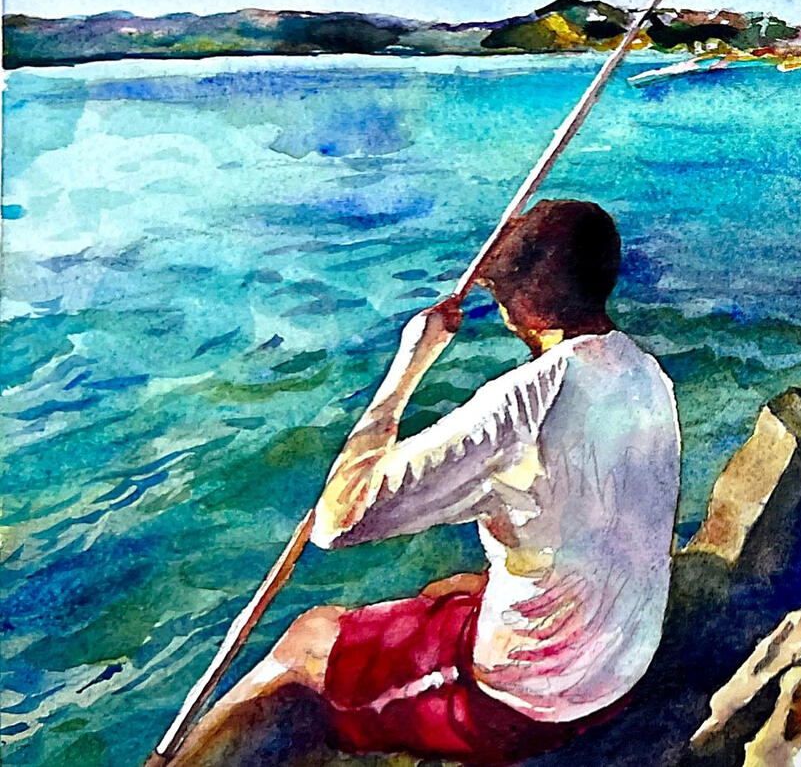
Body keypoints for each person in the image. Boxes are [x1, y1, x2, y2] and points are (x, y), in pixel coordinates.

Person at [172, 200, 680, 767]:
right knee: (448, 590)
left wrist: (409, 365)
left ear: (521, 308)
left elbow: (338, 520)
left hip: (535, 703)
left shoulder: (522, 405)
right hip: (624, 662)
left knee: (305, 643)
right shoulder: (645, 374)